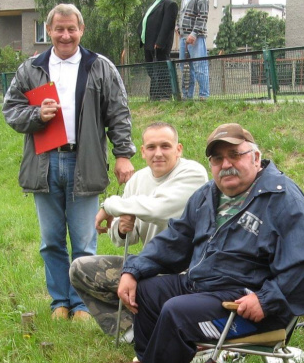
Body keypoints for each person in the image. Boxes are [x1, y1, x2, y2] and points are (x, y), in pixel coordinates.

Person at [90, 123, 304, 363]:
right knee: (147, 292)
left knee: (177, 312)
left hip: (245, 304)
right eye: (217, 159)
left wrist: (267, 300)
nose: (226, 164)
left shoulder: (281, 198)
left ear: (255, 157)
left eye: (235, 155)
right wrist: (133, 271)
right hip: (201, 286)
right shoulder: (207, 195)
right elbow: (174, 240)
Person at [3, 4, 135, 321]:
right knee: (51, 241)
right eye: (59, 29)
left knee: (84, 241)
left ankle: (81, 304)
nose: (65, 35)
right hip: (44, 162)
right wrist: (36, 115)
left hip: (85, 161)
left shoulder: (100, 67)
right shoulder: (31, 68)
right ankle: (59, 302)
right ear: (49, 30)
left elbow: (118, 113)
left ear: (81, 30)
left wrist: (122, 154)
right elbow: (10, 111)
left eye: (71, 29)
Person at [69, 122, 208, 336]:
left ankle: (162, 325)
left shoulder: (193, 174)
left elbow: (158, 209)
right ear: (142, 152)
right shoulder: (137, 180)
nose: (158, 153)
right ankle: (129, 332)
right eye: (151, 147)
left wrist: (109, 205)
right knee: (81, 268)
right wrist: (123, 229)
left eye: (165, 146)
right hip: (146, 266)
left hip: (187, 273)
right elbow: (122, 238)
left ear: (178, 149)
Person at [137, 0, 179, 100]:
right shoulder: (154, 3)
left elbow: (167, 25)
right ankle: (154, 97)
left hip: (159, 45)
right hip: (148, 43)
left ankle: (165, 97)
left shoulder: (169, 4)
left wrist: (160, 42)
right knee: (152, 71)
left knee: (162, 71)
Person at [176, 0, 210, 100]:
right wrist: (178, 27)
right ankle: (187, 97)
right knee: (185, 68)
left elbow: (203, 16)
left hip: (196, 38)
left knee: (199, 66)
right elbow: (181, 15)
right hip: (183, 38)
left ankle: (204, 96)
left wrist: (194, 33)